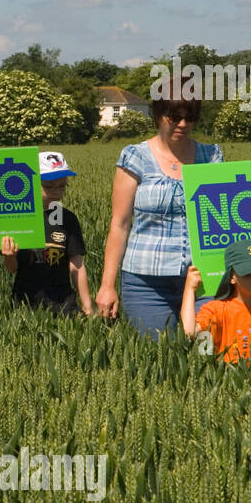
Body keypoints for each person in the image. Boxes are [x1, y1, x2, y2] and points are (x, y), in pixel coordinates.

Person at [94, 77, 224, 336]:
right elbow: (119, 225)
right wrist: (107, 285)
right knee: (157, 358)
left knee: (210, 354)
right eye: (174, 116)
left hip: (206, 279)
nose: (183, 124)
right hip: (147, 283)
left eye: (191, 117)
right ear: (158, 114)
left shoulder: (212, 157)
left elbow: (228, 220)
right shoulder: (136, 157)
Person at [0, 151, 93, 315]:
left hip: (64, 305)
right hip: (26, 306)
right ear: (31, 183)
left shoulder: (68, 219)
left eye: (62, 186)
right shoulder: (17, 218)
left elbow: (77, 265)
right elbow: (12, 269)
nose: (57, 192)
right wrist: (9, 256)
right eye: (49, 187)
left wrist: (88, 307)